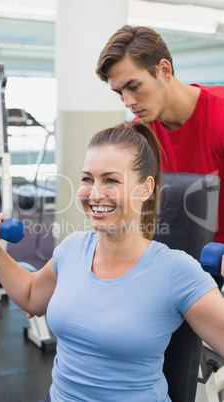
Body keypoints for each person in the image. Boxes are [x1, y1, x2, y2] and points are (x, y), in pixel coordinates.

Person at [0, 121, 224, 401]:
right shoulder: (72, 249)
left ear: (145, 189)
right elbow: (32, 297)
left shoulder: (176, 271)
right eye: (87, 179)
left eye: (111, 180)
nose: (94, 194)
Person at [96, 24, 224, 245]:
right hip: (173, 253)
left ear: (164, 70)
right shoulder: (140, 133)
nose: (128, 102)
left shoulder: (219, 115)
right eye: (119, 92)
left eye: (134, 86)